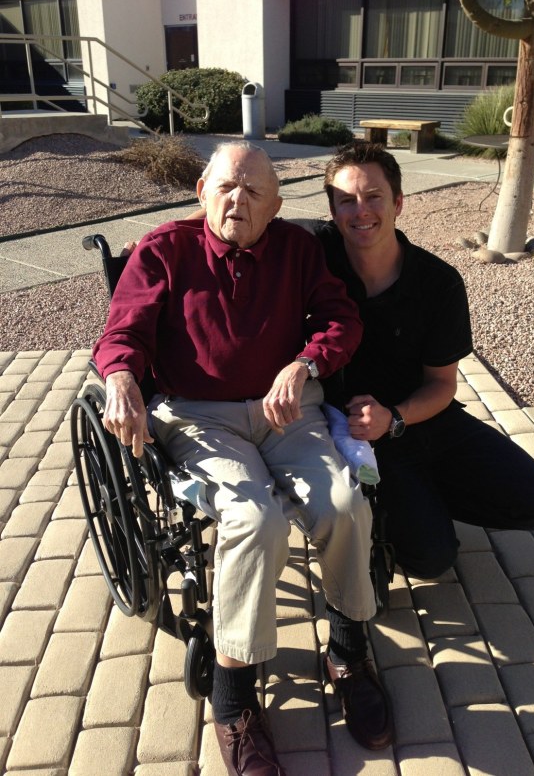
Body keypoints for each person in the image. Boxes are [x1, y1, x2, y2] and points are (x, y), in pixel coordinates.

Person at [94, 141, 392, 776]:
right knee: (255, 520)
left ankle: (346, 648)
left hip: (288, 407)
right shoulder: (165, 250)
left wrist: (306, 362)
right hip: (200, 416)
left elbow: (340, 320)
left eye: (255, 192)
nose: (239, 200)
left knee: (344, 502)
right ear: (202, 188)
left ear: (277, 206)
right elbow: (123, 331)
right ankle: (233, 701)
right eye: (228, 186)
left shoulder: (297, 249)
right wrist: (120, 379)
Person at [315, 141, 534, 578]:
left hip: (418, 418)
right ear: (333, 211)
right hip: (356, 437)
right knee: (431, 559)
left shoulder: (438, 282)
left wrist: (393, 416)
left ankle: (416, 502)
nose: (361, 211)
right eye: (346, 201)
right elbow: (244, 212)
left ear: (398, 203)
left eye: (374, 197)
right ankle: (403, 515)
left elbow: (442, 385)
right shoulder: (314, 254)